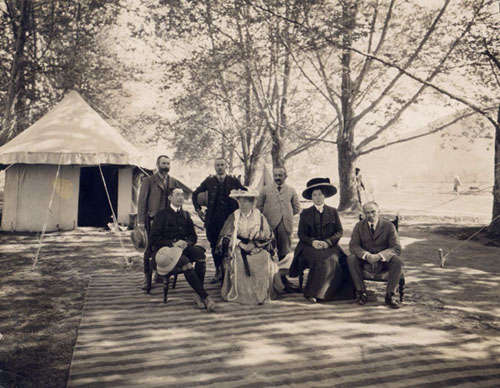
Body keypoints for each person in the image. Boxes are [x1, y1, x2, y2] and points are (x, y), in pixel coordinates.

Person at [289, 178, 356, 303]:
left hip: (330, 245)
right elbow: (301, 234)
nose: (318, 197)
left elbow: (339, 231)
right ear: (311, 198)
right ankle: (313, 293)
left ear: (324, 196)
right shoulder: (306, 213)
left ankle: (333, 293)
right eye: (314, 195)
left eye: (320, 194)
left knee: (336, 259)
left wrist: (328, 242)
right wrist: (313, 242)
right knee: (320, 259)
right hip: (309, 246)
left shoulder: (332, 211)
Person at [150, 188, 216, 312]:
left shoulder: (186, 215)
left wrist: (187, 243)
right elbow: (154, 239)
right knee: (186, 263)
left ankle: (197, 295)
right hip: (165, 251)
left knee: (200, 255)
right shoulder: (162, 215)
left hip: (182, 249)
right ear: (170, 198)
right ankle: (205, 297)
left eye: (182, 195)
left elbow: (193, 237)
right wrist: (173, 243)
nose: (181, 197)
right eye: (177, 195)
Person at [217, 189, 286, 305]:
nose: (242, 205)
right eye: (240, 202)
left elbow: (268, 236)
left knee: (263, 258)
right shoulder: (234, 216)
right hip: (238, 245)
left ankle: (260, 292)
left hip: (256, 244)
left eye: (245, 202)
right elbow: (225, 236)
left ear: (252, 203)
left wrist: (254, 245)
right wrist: (241, 244)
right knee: (238, 260)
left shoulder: (259, 217)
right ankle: (244, 293)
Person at [192, 157, 246, 284]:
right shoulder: (209, 181)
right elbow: (195, 194)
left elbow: (245, 194)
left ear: (226, 166)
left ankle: (228, 272)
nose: (220, 167)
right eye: (217, 165)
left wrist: (241, 211)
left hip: (230, 219)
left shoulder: (233, 181)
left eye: (222, 164)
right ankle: (218, 271)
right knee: (214, 245)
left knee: (228, 244)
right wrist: (198, 210)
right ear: (214, 167)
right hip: (213, 219)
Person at [347, 201, 403, 309]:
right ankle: (361, 293)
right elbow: (353, 246)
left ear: (379, 212)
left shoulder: (389, 226)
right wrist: (366, 255)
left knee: (397, 261)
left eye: (373, 212)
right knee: (351, 258)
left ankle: (390, 295)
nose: (371, 215)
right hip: (365, 261)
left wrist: (379, 256)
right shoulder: (359, 226)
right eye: (367, 213)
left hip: (384, 261)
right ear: (363, 214)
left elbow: (396, 248)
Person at [137, 155, 181, 289]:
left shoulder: (174, 181)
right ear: (157, 164)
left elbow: (178, 201)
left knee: (165, 248)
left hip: (168, 222)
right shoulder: (149, 181)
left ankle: (160, 275)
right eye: (163, 163)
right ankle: (146, 279)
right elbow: (141, 202)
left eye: (168, 163)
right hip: (152, 220)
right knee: (149, 250)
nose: (166, 166)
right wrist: (141, 222)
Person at [256, 166, 301, 292]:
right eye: (275, 175)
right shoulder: (265, 190)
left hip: (285, 226)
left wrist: (286, 215)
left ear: (286, 176)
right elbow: (258, 207)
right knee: (267, 251)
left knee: (284, 253)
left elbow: (296, 208)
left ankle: (283, 279)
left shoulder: (291, 191)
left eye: (280, 175)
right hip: (269, 226)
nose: (277, 178)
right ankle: (268, 279)